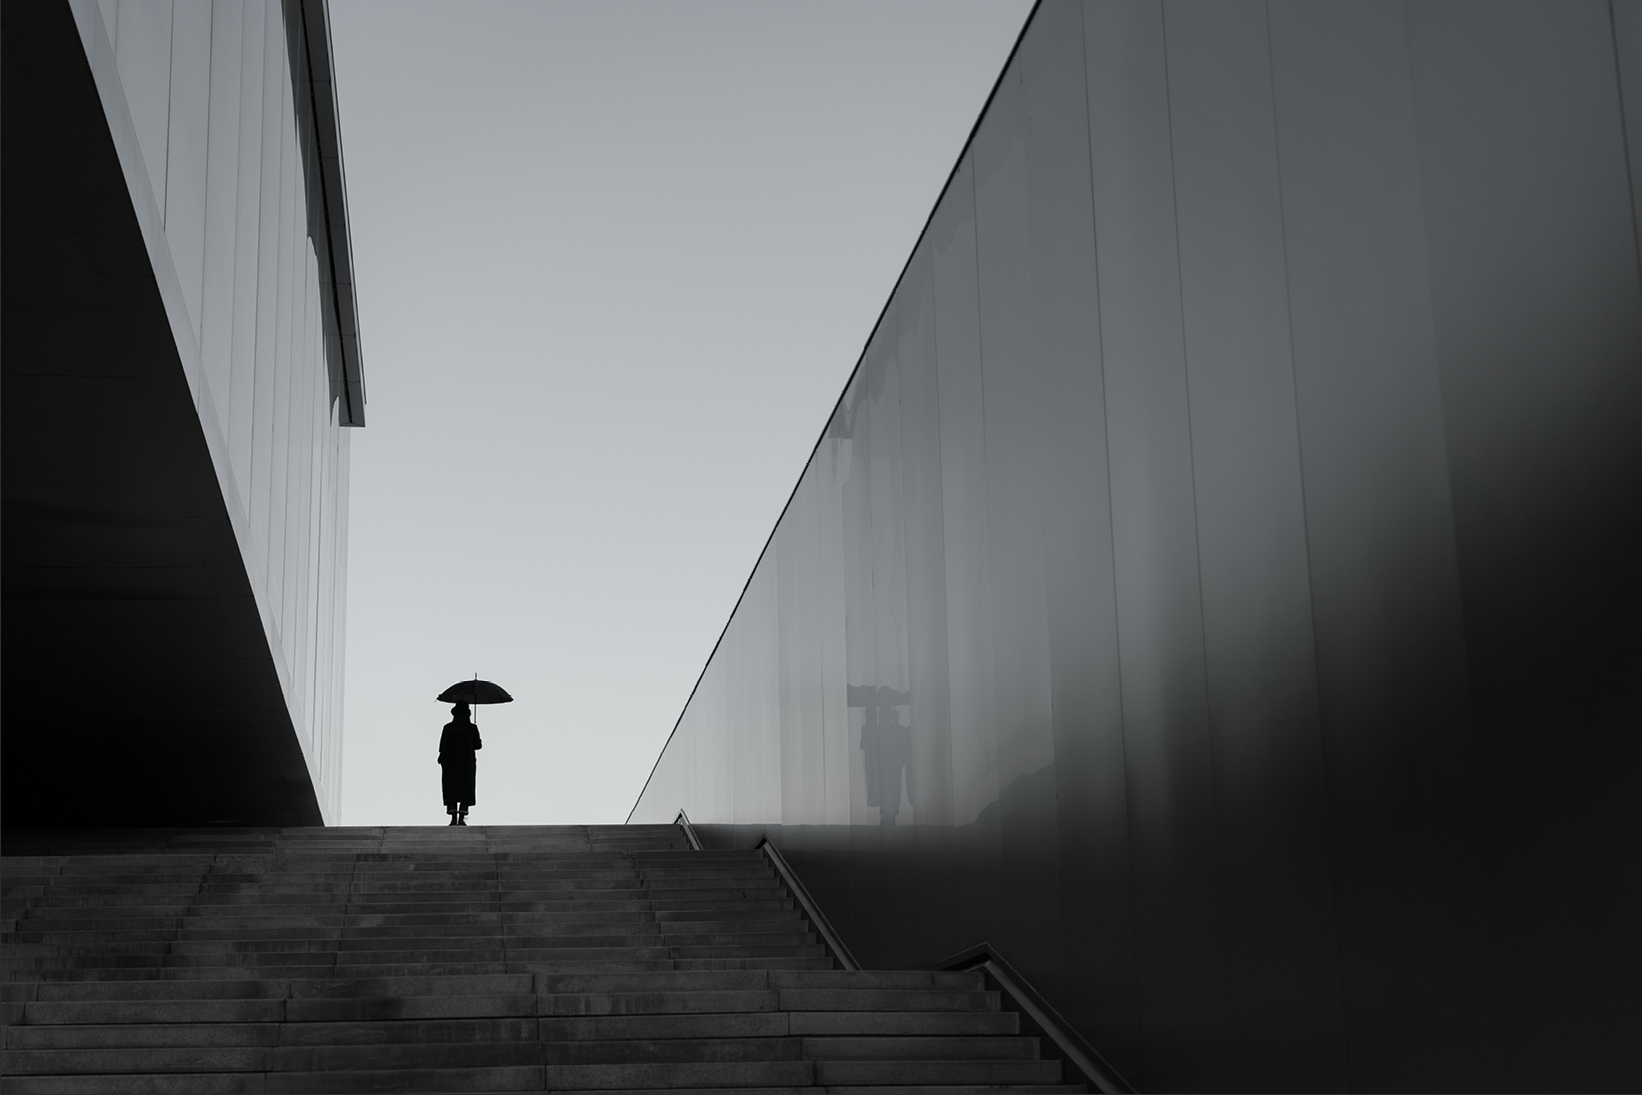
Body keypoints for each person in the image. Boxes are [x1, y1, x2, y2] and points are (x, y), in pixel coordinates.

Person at [438, 702, 482, 825]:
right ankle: (462, 819)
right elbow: (478, 746)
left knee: (451, 789)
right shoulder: (472, 728)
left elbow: (443, 746)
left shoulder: (448, 728)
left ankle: (453, 818)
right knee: (466, 790)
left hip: (451, 762)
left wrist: (442, 759)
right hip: (466, 763)